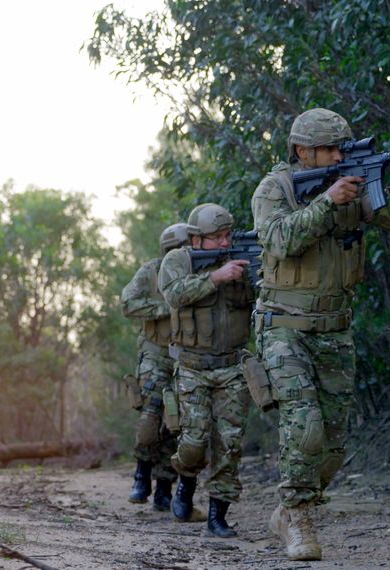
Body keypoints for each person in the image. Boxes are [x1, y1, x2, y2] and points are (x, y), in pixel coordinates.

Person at [251, 108, 390, 560]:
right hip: (283, 326)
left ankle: (290, 507)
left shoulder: (352, 182)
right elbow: (279, 242)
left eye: (340, 148)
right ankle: (298, 517)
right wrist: (328, 201)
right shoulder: (277, 188)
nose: (335, 155)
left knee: (332, 445)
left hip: (334, 326)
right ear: (301, 150)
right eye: (327, 149)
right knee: (304, 427)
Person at [156, 206, 254, 537]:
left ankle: (217, 515)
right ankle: (185, 483)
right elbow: (173, 294)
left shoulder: (242, 259)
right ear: (196, 238)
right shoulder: (178, 261)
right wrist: (216, 277)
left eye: (228, 235)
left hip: (231, 367)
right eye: (217, 238)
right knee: (194, 441)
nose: (225, 242)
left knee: (229, 443)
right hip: (193, 368)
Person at [119, 226, 186, 513]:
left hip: (185, 358)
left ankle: (164, 489)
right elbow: (128, 304)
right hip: (155, 354)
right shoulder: (151, 272)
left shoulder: (198, 272)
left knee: (175, 424)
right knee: (150, 420)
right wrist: (165, 308)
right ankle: (141, 475)